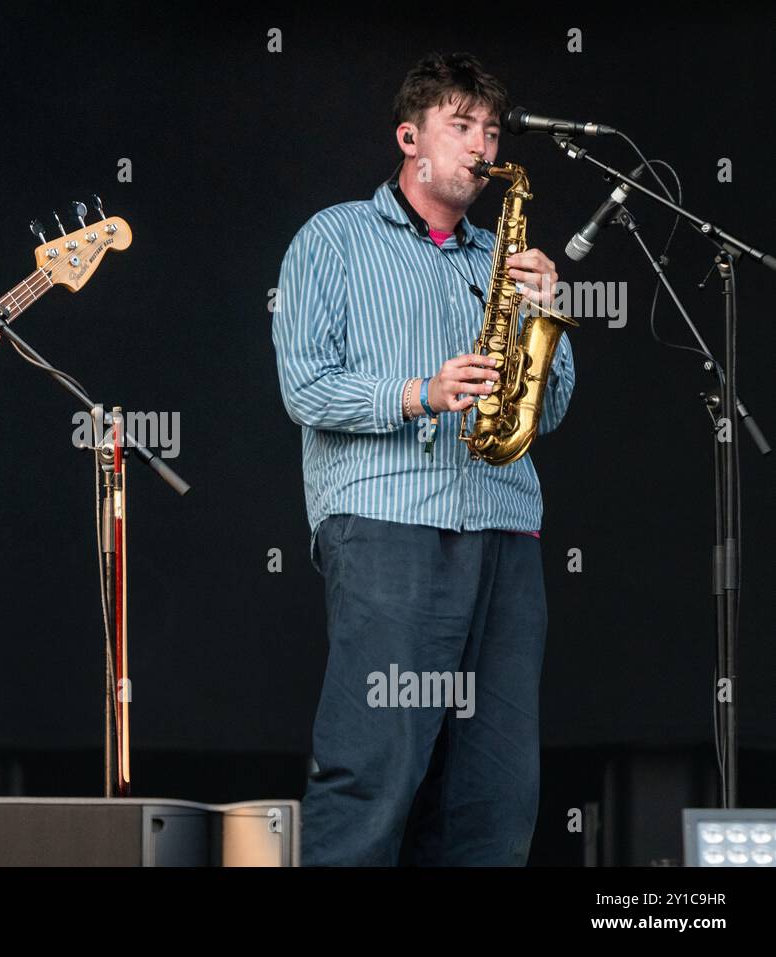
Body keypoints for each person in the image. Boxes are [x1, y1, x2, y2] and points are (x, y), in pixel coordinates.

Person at [271, 52, 575, 865]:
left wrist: (544, 311)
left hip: (507, 527)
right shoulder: (332, 238)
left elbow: (551, 404)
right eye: (462, 125)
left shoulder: (499, 259)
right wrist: (418, 391)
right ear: (410, 137)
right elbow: (305, 386)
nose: (483, 145)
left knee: (496, 789)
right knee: (374, 769)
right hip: (386, 522)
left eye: (493, 129)